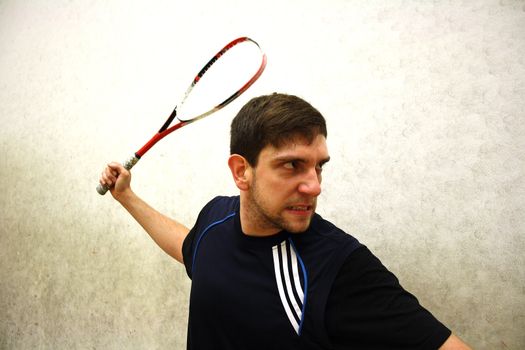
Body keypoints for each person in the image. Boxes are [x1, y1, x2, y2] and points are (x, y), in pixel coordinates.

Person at [99, 93, 471, 349]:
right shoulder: (215, 217)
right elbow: (189, 248)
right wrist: (127, 198)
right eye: (292, 165)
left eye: (318, 167)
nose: (314, 186)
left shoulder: (340, 266)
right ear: (241, 171)